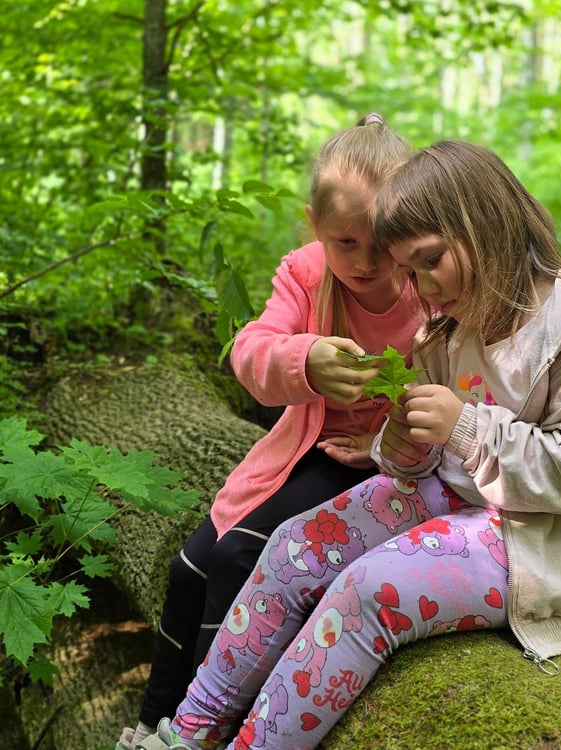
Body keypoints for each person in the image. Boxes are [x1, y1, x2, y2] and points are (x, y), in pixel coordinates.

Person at [136, 139, 561, 750]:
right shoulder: (450, 326)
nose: (421, 287)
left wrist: (464, 426)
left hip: (550, 542)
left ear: (486, 222)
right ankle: (191, 731)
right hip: (460, 500)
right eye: (409, 271)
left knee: (368, 592)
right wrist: (405, 443)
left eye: (429, 261)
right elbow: (416, 457)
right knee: (291, 547)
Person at [116, 114, 424, 750]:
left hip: (378, 465)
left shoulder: (425, 289)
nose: (365, 263)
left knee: (238, 557)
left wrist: (385, 441)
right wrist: (304, 359)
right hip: (301, 450)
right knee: (187, 569)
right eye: (345, 243)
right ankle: (152, 724)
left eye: (380, 243)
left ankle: (207, 727)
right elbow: (252, 352)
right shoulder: (307, 274)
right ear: (315, 227)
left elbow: (456, 390)